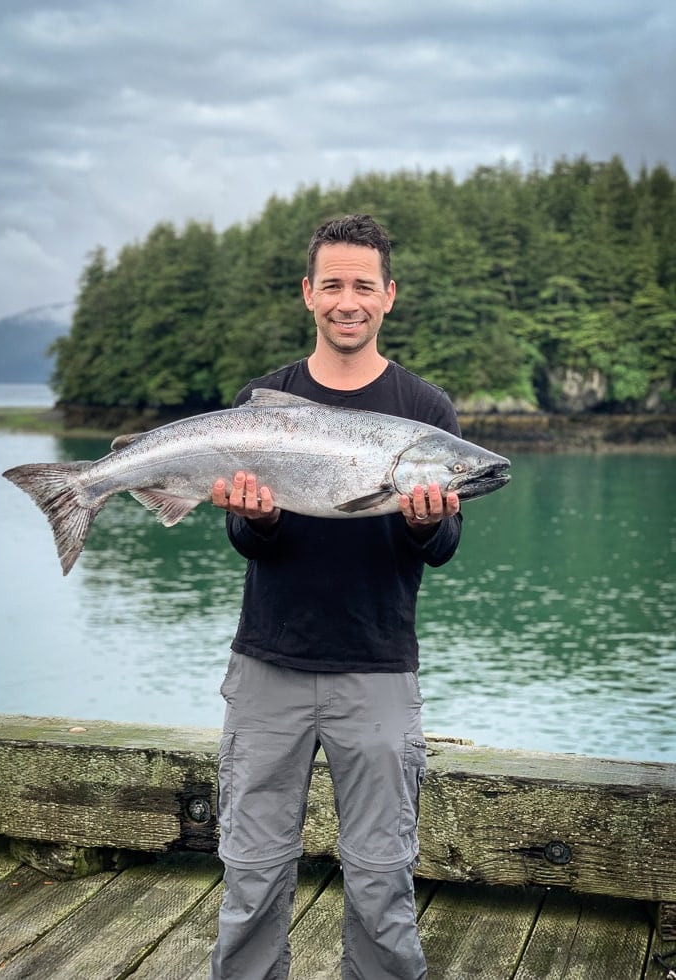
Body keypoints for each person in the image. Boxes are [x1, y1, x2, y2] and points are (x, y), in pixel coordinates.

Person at [209, 213, 462, 979]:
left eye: (362, 285)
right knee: (250, 874)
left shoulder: (425, 412)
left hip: (378, 670)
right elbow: (248, 544)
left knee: (382, 878)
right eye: (332, 285)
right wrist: (253, 519)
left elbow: (444, 548)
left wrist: (425, 526)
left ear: (387, 296)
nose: (346, 300)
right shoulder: (266, 401)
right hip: (266, 668)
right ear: (307, 294)